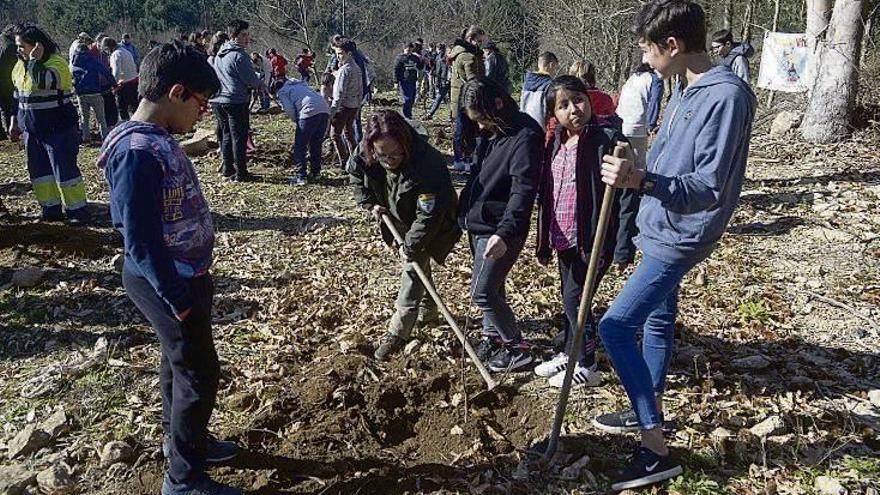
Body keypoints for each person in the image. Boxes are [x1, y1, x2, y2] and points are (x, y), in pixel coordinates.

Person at [596, 1, 756, 490]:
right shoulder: (683, 86)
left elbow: (707, 186)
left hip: (683, 232)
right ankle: (650, 406)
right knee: (658, 321)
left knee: (616, 326)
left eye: (648, 48)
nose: (644, 58)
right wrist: (637, 171)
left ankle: (655, 450)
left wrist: (640, 180)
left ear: (673, 45)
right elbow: (672, 156)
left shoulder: (725, 96)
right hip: (660, 222)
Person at [97, 40, 242, 495]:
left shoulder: (154, 139)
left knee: (177, 363)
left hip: (182, 276)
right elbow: (138, 237)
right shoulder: (137, 152)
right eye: (200, 103)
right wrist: (176, 297)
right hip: (166, 282)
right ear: (177, 92)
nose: (202, 113)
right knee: (199, 372)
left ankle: (183, 443)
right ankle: (184, 480)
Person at [534, 75, 638, 388]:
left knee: (575, 300)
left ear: (589, 100)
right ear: (554, 114)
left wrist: (623, 244)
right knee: (569, 296)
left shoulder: (608, 140)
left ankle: (588, 364)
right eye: (563, 105)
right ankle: (570, 350)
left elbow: (627, 194)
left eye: (578, 100)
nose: (573, 109)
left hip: (594, 238)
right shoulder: (556, 142)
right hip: (563, 234)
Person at [348, 110, 461, 360]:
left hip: (433, 219)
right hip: (396, 212)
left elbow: (429, 216)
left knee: (413, 264)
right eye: (382, 155)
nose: (389, 160)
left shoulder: (428, 163)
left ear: (405, 143)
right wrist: (369, 203)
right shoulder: (368, 147)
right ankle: (429, 311)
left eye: (396, 154)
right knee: (418, 265)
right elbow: (355, 172)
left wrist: (410, 244)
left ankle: (398, 331)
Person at [457, 77, 541, 372]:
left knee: (482, 292)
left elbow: (523, 190)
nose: (480, 126)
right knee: (494, 288)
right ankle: (493, 336)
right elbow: (479, 176)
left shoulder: (525, 135)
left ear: (498, 105)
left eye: (482, 119)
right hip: (479, 223)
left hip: (502, 227)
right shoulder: (492, 134)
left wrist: (505, 232)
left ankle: (518, 349)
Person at [8, 24, 89, 223]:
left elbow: (45, 81)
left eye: (21, 46)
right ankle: (50, 209)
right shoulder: (19, 67)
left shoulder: (57, 63)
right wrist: (14, 121)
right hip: (32, 131)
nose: (18, 50)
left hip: (58, 128)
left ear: (36, 45)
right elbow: (18, 97)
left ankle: (77, 211)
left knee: (65, 173)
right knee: (40, 174)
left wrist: (35, 61)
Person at [209, 19, 265, 181]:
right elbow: (251, 81)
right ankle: (241, 173)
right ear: (234, 36)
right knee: (239, 136)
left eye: (248, 34)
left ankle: (228, 168)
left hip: (219, 100)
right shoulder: (239, 56)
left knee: (226, 135)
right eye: (243, 35)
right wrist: (260, 82)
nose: (247, 38)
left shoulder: (220, 53)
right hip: (235, 100)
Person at [273, 77, 329, 185]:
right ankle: (316, 172)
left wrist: (296, 120)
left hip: (309, 112)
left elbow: (288, 109)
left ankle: (301, 177)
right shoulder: (302, 85)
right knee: (316, 144)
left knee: (300, 146)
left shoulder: (283, 91)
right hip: (324, 110)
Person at [449, 25, 486, 171]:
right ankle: (461, 159)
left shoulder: (472, 54)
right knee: (463, 129)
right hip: (465, 99)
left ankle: (465, 158)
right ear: (470, 39)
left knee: (467, 129)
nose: (481, 45)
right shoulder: (467, 56)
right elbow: (473, 80)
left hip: (464, 97)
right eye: (479, 41)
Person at [616, 58, 658, 170]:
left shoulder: (632, 78)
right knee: (639, 166)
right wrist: (651, 125)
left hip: (621, 123)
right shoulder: (654, 79)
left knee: (623, 164)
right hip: (637, 126)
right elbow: (654, 103)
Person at [71, 40, 115, 142]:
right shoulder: (92, 60)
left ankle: (86, 137)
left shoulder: (74, 63)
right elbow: (105, 72)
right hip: (95, 92)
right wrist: (113, 83)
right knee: (101, 117)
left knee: (84, 117)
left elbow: (72, 77)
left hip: (81, 94)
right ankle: (104, 137)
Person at [328, 40, 363, 167]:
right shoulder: (357, 68)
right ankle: (355, 161)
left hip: (343, 107)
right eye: (336, 53)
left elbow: (339, 94)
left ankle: (344, 162)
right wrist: (358, 106)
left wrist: (331, 113)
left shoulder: (345, 70)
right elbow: (360, 89)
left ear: (349, 53)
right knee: (349, 133)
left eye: (341, 54)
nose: (338, 56)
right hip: (354, 105)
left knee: (335, 134)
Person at [103, 37, 139, 121]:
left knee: (122, 108)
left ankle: (126, 125)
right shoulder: (126, 51)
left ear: (109, 47)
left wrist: (113, 85)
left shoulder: (116, 54)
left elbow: (116, 72)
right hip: (134, 82)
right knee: (134, 107)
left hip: (124, 85)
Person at [520, 51, 557, 130]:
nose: (554, 70)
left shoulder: (527, 82)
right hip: (541, 128)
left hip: (525, 125)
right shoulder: (550, 84)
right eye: (555, 67)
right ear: (551, 65)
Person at [394, 42, 423, 119]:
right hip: (404, 81)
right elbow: (396, 70)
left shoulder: (415, 58)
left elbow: (420, 67)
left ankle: (408, 113)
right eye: (407, 49)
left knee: (412, 99)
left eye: (410, 49)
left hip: (413, 80)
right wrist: (396, 81)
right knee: (407, 99)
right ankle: (406, 116)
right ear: (404, 49)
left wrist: (422, 60)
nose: (409, 51)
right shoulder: (400, 58)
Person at [425, 43, 450, 120]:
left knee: (440, 98)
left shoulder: (442, 57)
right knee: (440, 98)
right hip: (445, 80)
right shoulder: (440, 57)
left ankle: (430, 113)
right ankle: (430, 113)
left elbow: (441, 70)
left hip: (446, 80)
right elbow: (438, 70)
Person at [1, 25, 17, 140]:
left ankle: (3, 134)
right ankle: (12, 132)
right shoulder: (10, 46)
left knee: (4, 108)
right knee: (9, 108)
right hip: (6, 82)